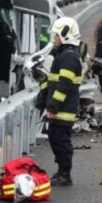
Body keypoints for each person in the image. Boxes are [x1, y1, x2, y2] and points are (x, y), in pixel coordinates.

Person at [36, 16, 82, 187]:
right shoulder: (64, 55)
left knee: (61, 140)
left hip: (63, 109)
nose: (54, 39)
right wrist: (43, 91)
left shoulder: (68, 57)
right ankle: (61, 172)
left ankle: (65, 174)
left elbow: (63, 86)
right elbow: (54, 81)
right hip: (60, 109)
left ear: (65, 35)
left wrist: (53, 106)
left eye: (56, 36)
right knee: (55, 139)